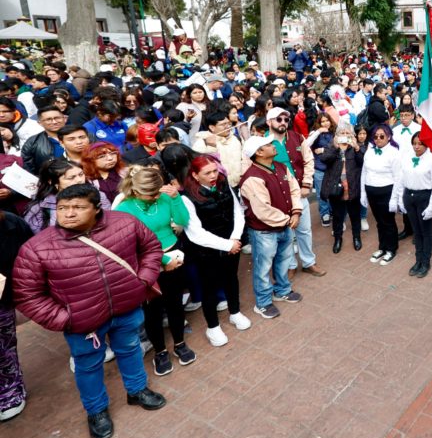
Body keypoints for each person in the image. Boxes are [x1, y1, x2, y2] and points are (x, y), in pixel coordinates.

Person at [13, 184, 167, 438]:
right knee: (88, 365)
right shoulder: (37, 248)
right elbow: (27, 295)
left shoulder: (125, 223)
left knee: (130, 349)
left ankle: (137, 390)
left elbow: (151, 248)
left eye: (78, 207)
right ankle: (96, 411)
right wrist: (65, 318)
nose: (69, 214)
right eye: (63, 208)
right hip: (83, 324)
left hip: (127, 308)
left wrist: (144, 279)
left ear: (97, 209)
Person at [114, 165, 195, 376]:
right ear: (136, 190)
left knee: (176, 304)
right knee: (152, 310)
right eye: (151, 193)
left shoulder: (165, 198)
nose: (156, 196)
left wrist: (176, 198)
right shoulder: (124, 209)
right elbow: (130, 246)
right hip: (147, 262)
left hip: (174, 254)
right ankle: (160, 351)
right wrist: (164, 259)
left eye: (158, 191)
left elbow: (183, 221)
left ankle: (179, 343)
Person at [180, 156, 251, 347]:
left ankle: (235, 313)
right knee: (209, 288)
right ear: (195, 175)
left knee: (231, 279)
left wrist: (235, 238)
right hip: (207, 251)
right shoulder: (187, 197)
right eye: (207, 173)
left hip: (231, 243)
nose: (213, 175)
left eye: (215, 171)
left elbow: (237, 210)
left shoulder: (223, 184)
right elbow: (195, 233)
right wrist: (227, 245)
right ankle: (213, 326)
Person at [239, 136, 303, 320]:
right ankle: (263, 302)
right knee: (263, 266)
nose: (273, 145)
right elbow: (262, 209)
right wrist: (288, 219)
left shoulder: (280, 167)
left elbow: (294, 189)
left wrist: (296, 212)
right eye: (267, 144)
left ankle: (282, 290)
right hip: (264, 231)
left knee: (284, 259)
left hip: (284, 225)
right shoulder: (252, 178)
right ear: (258, 153)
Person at [265, 107, 324, 278]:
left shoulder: (297, 138)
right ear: (269, 122)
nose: (283, 123)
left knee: (304, 230)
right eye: (279, 119)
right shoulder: (262, 143)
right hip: (278, 196)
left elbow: (308, 160)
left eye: (286, 119)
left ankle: (308, 262)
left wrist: (307, 184)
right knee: (287, 233)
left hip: (299, 192)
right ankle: (290, 264)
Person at [395, 132, 432, 278]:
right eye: (414, 143)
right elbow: (401, 178)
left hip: (425, 197)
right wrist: (400, 199)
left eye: (420, 144)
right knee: (416, 231)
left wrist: (431, 206)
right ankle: (418, 259)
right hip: (409, 196)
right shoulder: (407, 158)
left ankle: (425, 261)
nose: (416, 146)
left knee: (425, 231)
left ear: (426, 144)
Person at [0, 210, 32, 422]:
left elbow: (31, 255)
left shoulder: (11, 223)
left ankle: (10, 391)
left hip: (4, 298)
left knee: (3, 346)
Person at [25, 159, 112, 234]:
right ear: (52, 181)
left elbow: (109, 222)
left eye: (81, 174)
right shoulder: (40, 207)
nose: (79, 180)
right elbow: (40, 237)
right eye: (71, 178)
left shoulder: (98, 195)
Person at [360, 124, 402, 266]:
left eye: (382, 136)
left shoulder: (394, 153)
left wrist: (394, 199)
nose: (378, 139)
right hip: (371, 190)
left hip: (386, 191)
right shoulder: (370, 151)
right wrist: (363, 193)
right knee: (379, 221)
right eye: (375, 136)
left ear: (389, 137)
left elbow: (398, 178)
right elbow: (364, 173)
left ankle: (391, 249)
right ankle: (382, 247)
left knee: (388, 221)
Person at [320, 124, 364, 253]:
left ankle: (357, 237)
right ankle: (338, 239)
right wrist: (335, 147)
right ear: (337, 136)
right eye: (342, 133)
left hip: (353, 186)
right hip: (336, 188)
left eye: (347, 133)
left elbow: (363, 162)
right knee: (338, 216)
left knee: (355, 215)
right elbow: (324, 159)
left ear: (352, 135)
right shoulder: (332, 146)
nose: (344, 136)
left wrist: (356, 147)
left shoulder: (357, 147)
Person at [19, 105, 66, 174]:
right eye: (48, 119)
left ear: (64, 118)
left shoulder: (80, 135)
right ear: (40, 123)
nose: (54, 122)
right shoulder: (33, 142)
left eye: (57, 118)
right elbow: (28, 167)